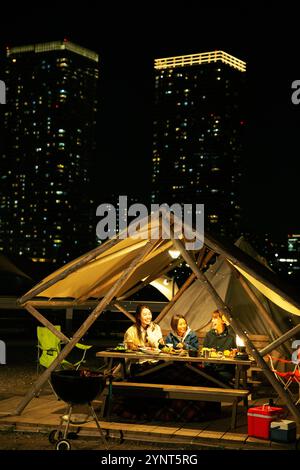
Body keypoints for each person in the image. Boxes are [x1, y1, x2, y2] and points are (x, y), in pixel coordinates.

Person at [124, 304, 164, 376]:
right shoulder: (132, 330)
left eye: (149, 314)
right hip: (139, 363)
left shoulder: (156, 327)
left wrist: (151, 335)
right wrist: (139, 348)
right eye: (145, 314)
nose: (148, 317)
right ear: (139, 316)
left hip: (156, 361)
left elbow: (161, 345)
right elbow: (129, 348)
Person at [203, 310, 236, 384]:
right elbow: (204, 351)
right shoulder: (209, 335)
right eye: (212, 318)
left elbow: (236, 353)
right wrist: (209, 352)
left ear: (223, 321)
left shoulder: (231, 335)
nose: (212, 321)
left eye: (215, 318)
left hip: (225, 370)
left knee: (218, 378)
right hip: (210, 368)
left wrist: (228, 323)